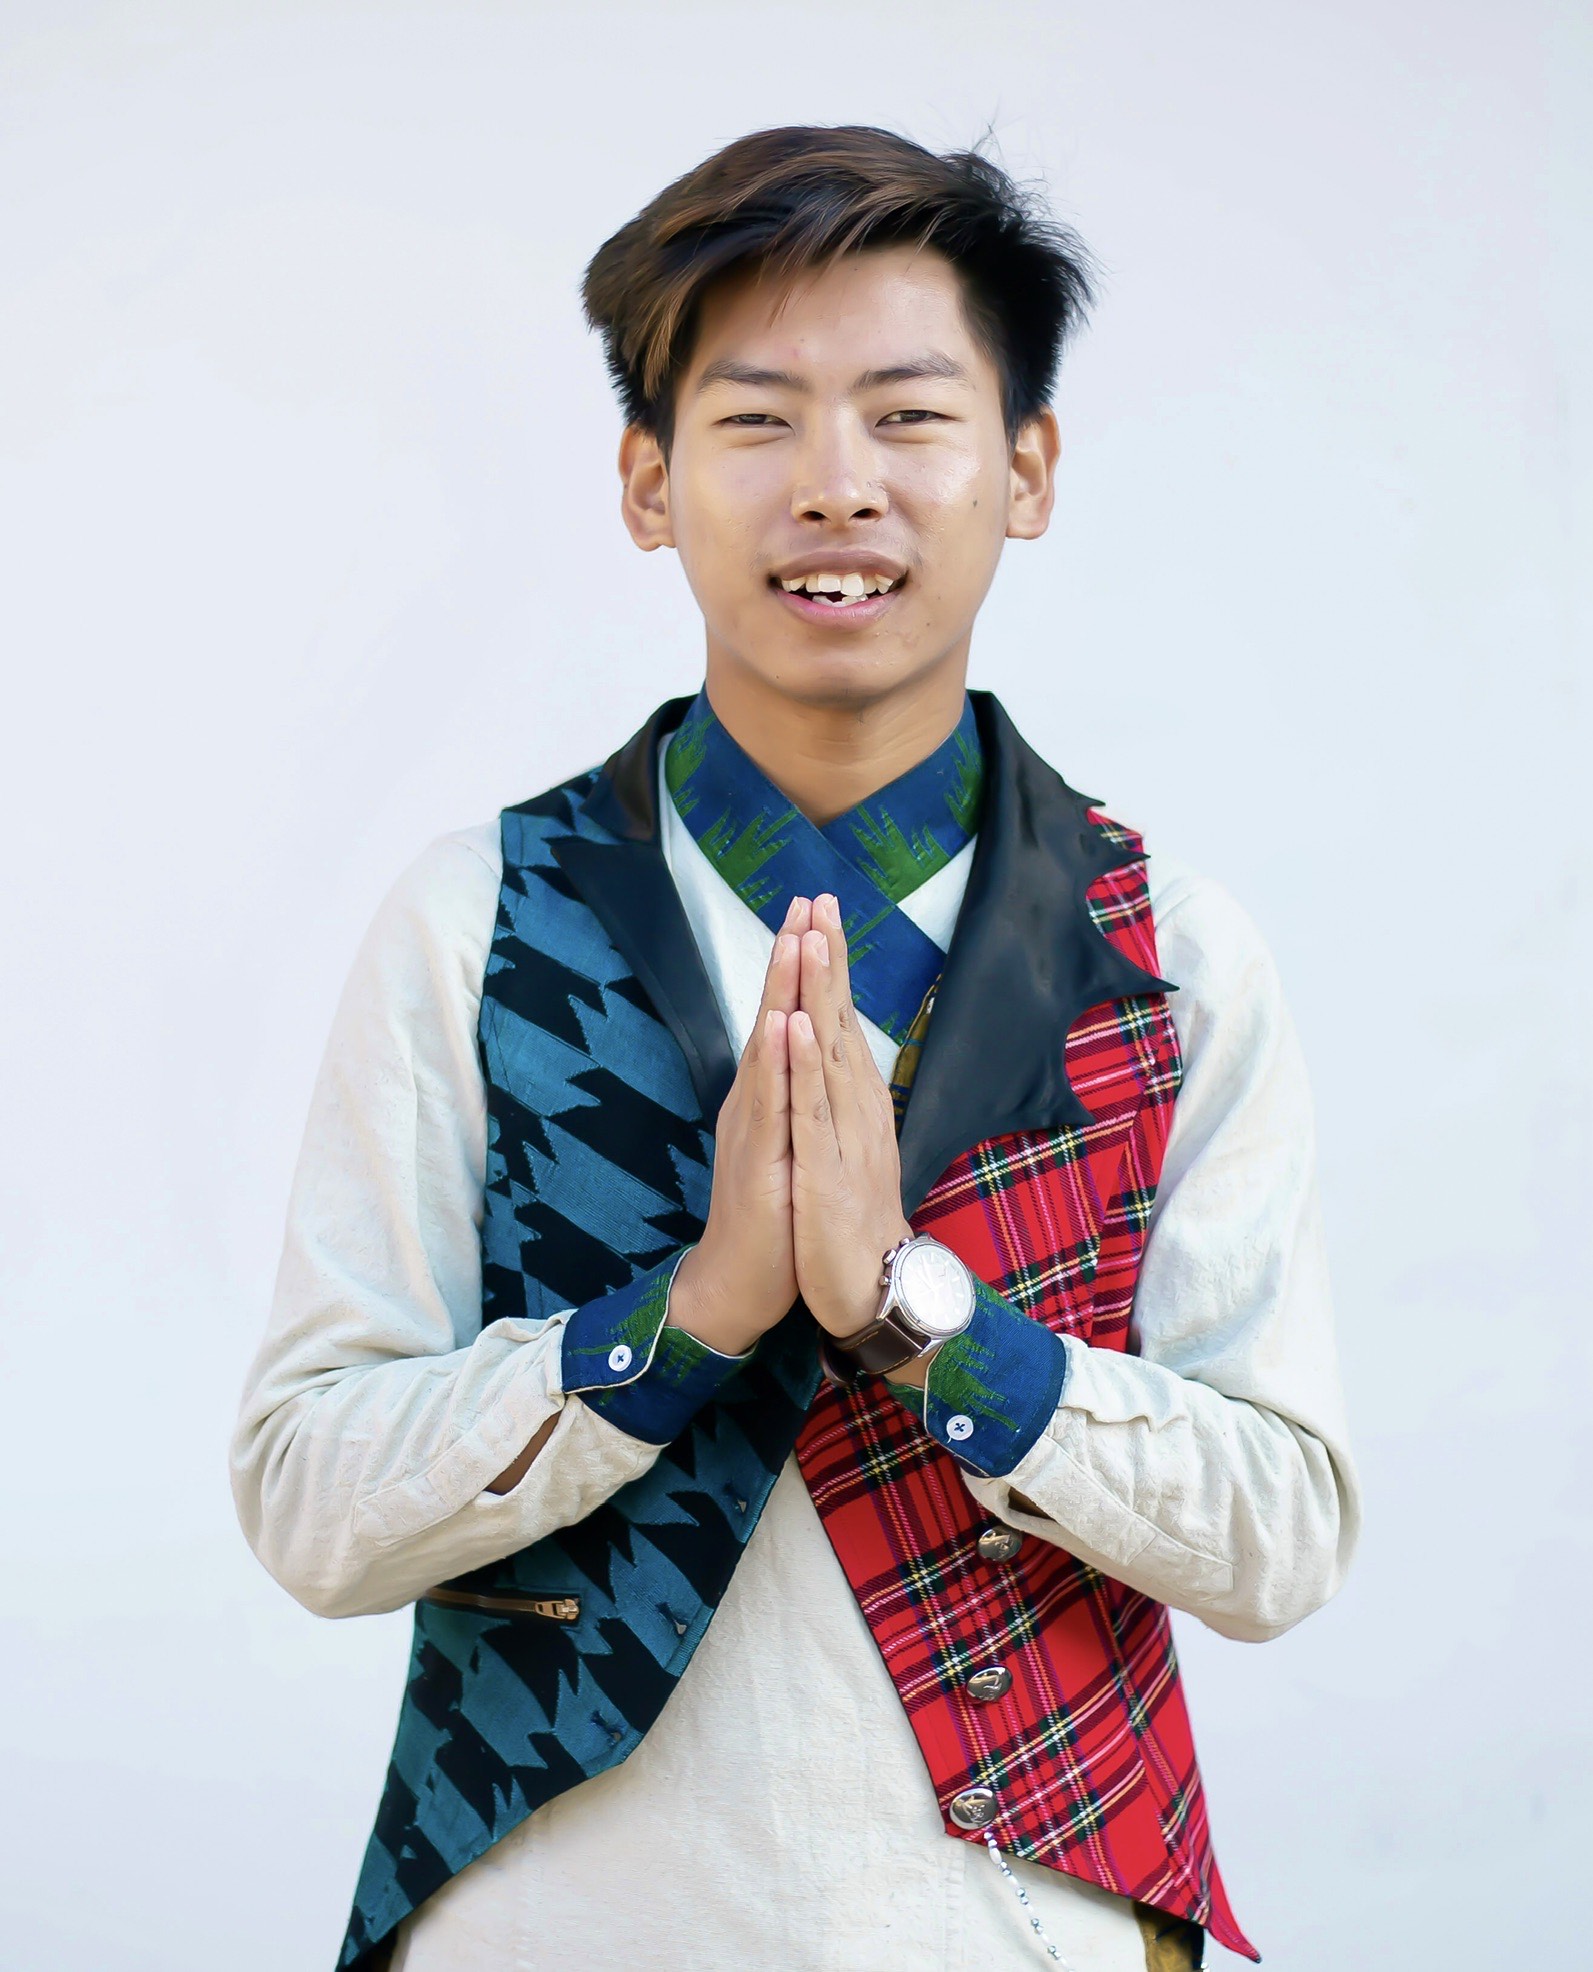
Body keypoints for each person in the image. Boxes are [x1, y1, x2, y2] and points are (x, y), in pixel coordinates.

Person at [229, 123, 1359, 1972]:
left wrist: (920, 1319)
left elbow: (1286, 1530)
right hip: (552, 1928)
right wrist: (681, 1322)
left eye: (908, 417)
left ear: (1025, 469)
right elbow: (304, 1499)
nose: (838, 486)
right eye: (756, 420)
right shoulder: (471, 921)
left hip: (1026, 1930)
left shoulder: (1168, 955)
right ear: (648, 481)